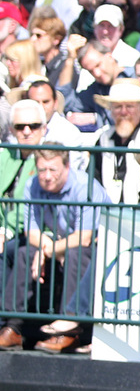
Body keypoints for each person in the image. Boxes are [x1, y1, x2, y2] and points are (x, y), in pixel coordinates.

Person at [0, 150, 105, 353]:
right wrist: (48, 248)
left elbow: (85, 237)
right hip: (58, 242)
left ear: (67, 167)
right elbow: (32, 233)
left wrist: (48, 250)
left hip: (98, 245)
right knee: (23, 252)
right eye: (42, 170)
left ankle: (68, 330)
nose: (47, 176)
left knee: (76, 254)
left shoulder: (84, 186)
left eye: (52, 170)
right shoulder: (32, 184)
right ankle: (12, 328)